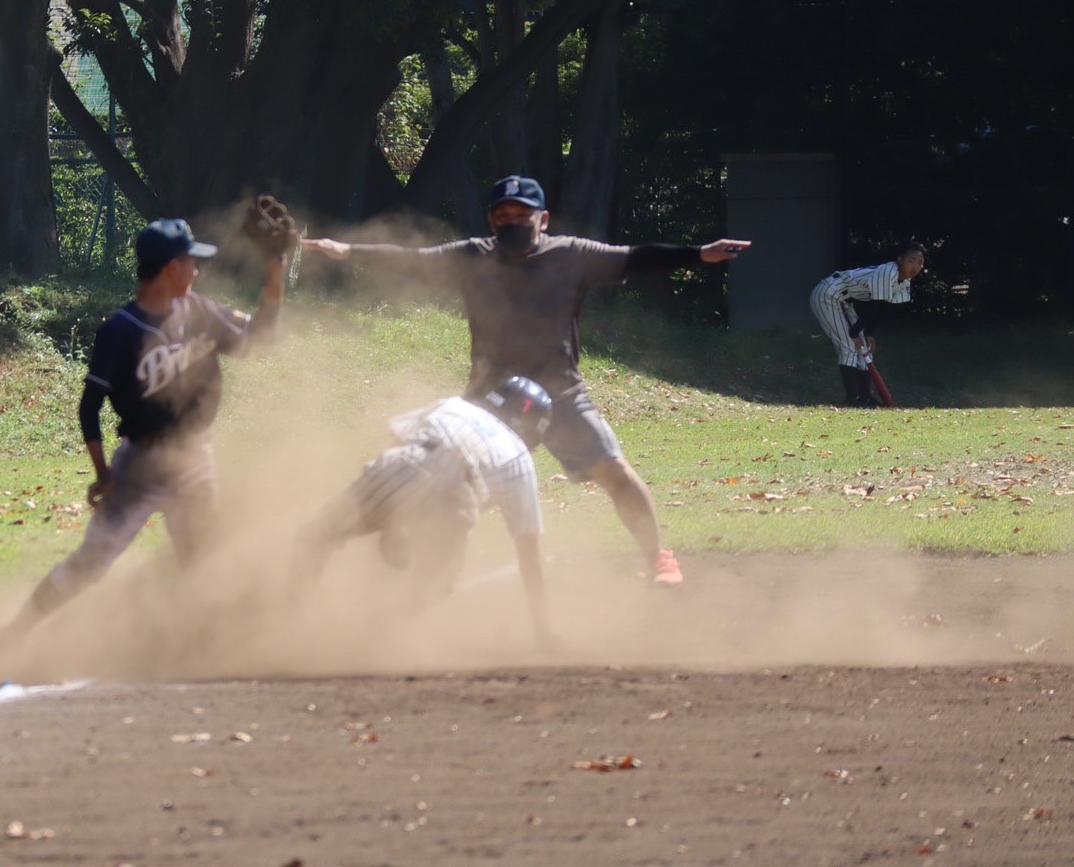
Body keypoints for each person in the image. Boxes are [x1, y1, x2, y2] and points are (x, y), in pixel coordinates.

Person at [302, 174, 751, 587]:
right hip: (487, 402)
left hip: (560, 393)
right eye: (503, 215)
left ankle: (658, 560)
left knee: (614, 471)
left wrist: (698, 253)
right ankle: (395, 553)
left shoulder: (571, 254)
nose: (512, 222)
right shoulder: (472, 256)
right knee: (440, 485)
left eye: (522, 215)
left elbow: (634, 258)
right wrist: (345, 251)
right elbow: (411, 261)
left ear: (543, 218)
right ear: (491, 219)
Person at [16, 218, 288, 628]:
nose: (196, 271)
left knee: (203, 563)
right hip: (139, 465)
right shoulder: (121, 331)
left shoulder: (201, 311)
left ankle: (194, 645)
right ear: (170, 269)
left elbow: (263, 334)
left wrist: (274, 269)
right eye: (190, 263)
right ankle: (14, 632)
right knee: (90, 563)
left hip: (194, 459)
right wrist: (103, 472)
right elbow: (89, 407)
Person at [297, 376, 557, 647]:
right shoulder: (518, 456)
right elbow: (529, 552)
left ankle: (284, 619)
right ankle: (359, 639)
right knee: (432, 585)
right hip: (456, 498)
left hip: (405, 465)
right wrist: (543, 631)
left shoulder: (453, 406)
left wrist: (392, 518)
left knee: (315, 536)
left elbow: (397, 442)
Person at [809, 242, 926, 407]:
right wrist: (855, 332)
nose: (915, 266)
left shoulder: (904, 282)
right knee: (849, 346)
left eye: (920, 263)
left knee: (864, 347)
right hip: (828, 294)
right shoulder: (888, 272)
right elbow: (875, 306)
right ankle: (852, 399)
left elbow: (885, 308)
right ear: (900, 260)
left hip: (844, 301)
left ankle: (865, 397)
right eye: (911, 260)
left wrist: (868, 333)